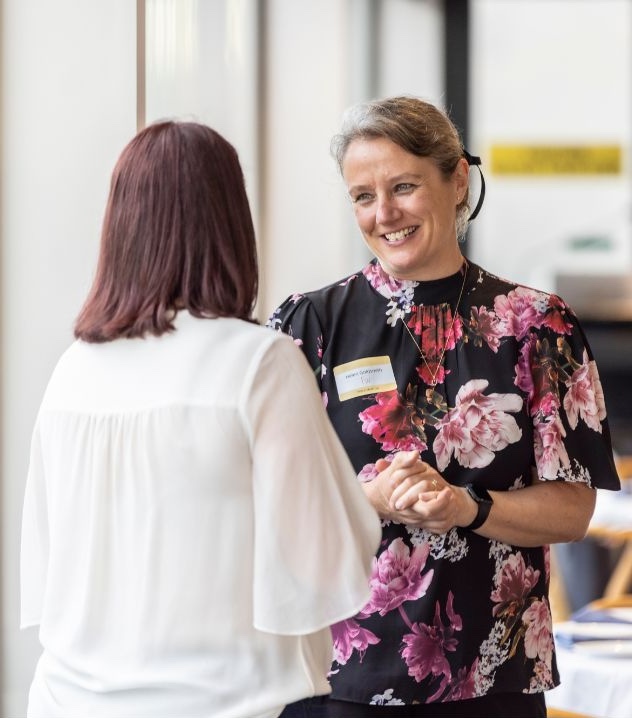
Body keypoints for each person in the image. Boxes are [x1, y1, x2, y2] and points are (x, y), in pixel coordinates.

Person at [268, 96, 621, 718]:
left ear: (457, 179)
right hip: (337, 676)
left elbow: (573, 510)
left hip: (494, 679)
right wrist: (364, 501)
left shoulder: (536, 327)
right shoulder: (307, 326)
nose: (385, 214)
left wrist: (467, 506)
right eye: (362, 196)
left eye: (404, 186)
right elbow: (263, 500)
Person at [20, 120, 382, 718]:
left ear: (119, 226)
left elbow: (49, 561)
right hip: (232, 703)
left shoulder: (72, 370)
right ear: (231, 223)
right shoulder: (258, 362)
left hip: (68, 700)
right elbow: (327, 566)